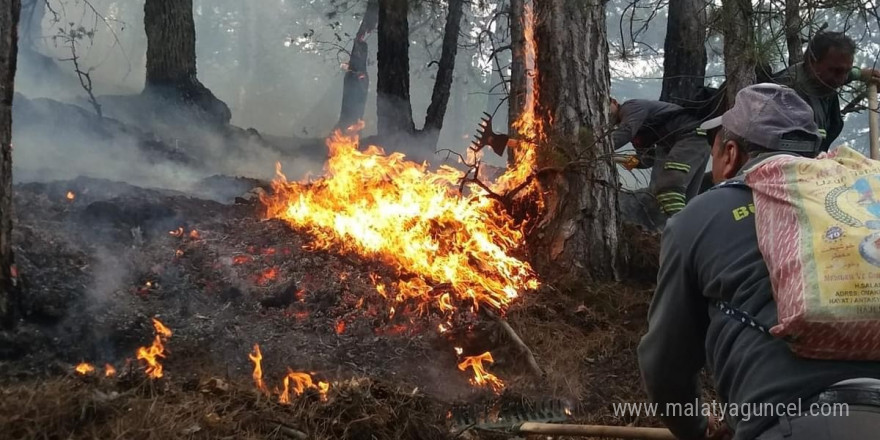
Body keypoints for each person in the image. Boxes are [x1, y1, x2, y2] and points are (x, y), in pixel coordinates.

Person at [637, 83, 880, 440]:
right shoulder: (862, 207)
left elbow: (666, 366)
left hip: (796, 425)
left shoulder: (702, 216)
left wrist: (695, 431)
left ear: (730, 153)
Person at [772, 30, 880, 152]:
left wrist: (860, 74)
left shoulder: (821, 78)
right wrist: (809, 136)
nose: (842, 78)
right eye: (837, 71)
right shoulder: (788, 94)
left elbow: (842, 73)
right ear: (812, 61)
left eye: (847, 71)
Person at [609, 98, 709, 216]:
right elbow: (648, 159)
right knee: (686, 199)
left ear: (615, 102)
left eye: (606, 105)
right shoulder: (638, 127)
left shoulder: (631, 106)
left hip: (690, 136)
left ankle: (681, 230)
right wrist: (626, 160)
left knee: (669, 189)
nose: (604, 112)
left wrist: (598, 147)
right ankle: (689, 229)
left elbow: (626, 131)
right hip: (696, 139)